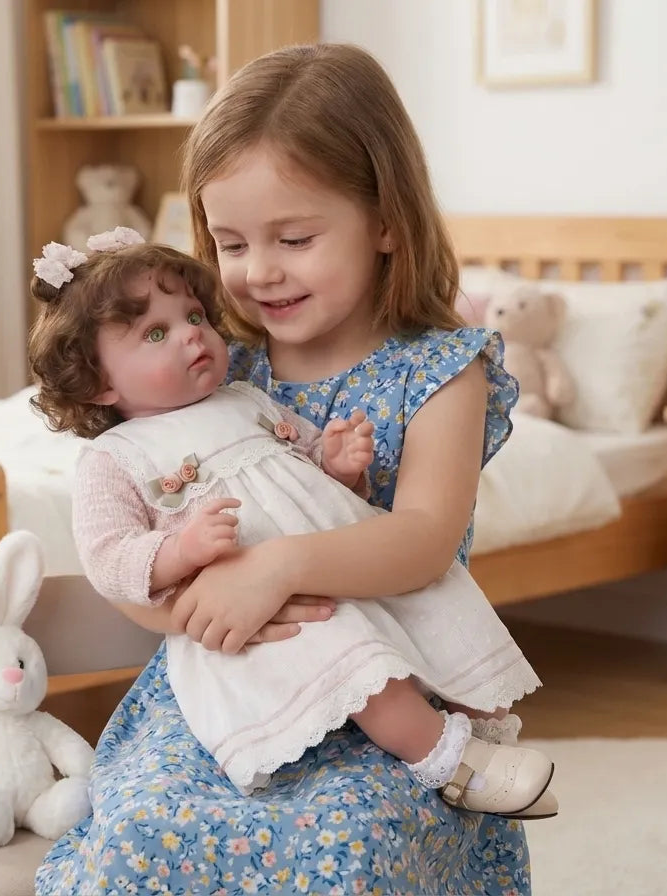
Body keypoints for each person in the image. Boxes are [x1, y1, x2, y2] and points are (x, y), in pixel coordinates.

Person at [36, 43, 544, 896]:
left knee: (350, 843)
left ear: (386, 220)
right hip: (223, 681)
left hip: (396, 690)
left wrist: (275, 568)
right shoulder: (217, 366)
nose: (258, 271)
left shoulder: (441, 371)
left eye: (295, 238)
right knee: (146, 827)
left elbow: (422, 541)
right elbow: (124, 545)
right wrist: (187, 606)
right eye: (230, 243)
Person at [27, 227, 553, 812]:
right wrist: (181, 552)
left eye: (195, 316)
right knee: (363, 669)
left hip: (339, 561)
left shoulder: (243, 397)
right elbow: (107, 556)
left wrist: (337, 462)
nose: (192, 336)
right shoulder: (115, 458)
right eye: (156, 333)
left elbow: (299, 464)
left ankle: (488, 727)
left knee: (437, 614)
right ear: (98, 383)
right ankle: (448, 762)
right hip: (271, 614)